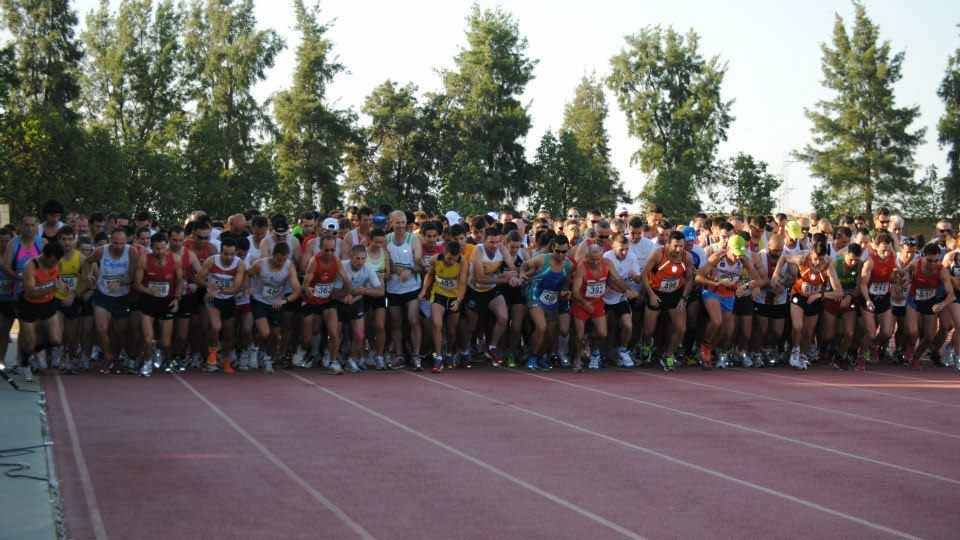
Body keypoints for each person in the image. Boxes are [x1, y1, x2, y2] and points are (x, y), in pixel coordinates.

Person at [773, 239, 843, 369]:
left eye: (821, 259)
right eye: (815, 258)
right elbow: (784, 258)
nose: (817, 262)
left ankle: (802, 354)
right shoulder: (802, 258)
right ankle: (795, 351)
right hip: (798, 295)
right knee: (797, 326)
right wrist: (776, 274)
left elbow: (839, 292)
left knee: (808, 332)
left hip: (814, 299)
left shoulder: (828, 265)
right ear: (811, 253)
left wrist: (819, 295)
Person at [696, 235, 763, 369]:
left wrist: (742, 284)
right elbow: (698, 277)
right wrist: (717, 282)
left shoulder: (744, 260)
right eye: (735, 254)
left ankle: (711, 349)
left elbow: (758, 280)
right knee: (717, 321)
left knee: (727, 330)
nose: (738, 257)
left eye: (740, 254)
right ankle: (705, 347)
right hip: (712, 291)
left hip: (729, 295)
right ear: (728, 248)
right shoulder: (717, 257)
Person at [571, 243, 638, 371]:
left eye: (598, 259)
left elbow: (617, 279)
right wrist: (585, 303)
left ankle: (587, 338)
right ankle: (577, 360)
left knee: (602, 333)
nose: (595, 262)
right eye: (592, 259)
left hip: (597, 302)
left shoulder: (607, 263)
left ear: (602, 256)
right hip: (581, 302)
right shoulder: (582, 267)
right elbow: (575, 291)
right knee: (578, 335)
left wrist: (627, 291)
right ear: (586, 257)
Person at [83, 227, 136, 373]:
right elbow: (87, 261)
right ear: (110, 241)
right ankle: (108, 357)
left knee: (120, 331)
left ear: (126, 241)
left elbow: (133, 277)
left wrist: (121, 283)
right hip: (103, 294)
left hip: (122, 296)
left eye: (122, 243)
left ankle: (118, 357)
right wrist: (90, 277)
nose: (119, 246)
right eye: (116, 243)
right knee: (102, 329)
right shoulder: (101, 251)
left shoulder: (131, 251)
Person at [642, 231, 694, 370]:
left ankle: (669, 355)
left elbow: (689, 279)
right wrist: (651, 294)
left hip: (675, 293)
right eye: (675, 246)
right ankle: (647, 345)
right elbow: (644, 274)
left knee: (681, 328)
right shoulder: (658, 254)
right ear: (668, 244)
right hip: (656, 292)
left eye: (681, 246)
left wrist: (684, 297)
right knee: (649, 330)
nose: (678, 250)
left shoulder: (687, 257)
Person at [300, 234, 352, 373]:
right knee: (308, 336)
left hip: (328, 300)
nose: (329, 253)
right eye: (326, 250)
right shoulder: (314, 261)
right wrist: (308, 289)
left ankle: (333, 362)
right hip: (312, 301)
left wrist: (343, 294)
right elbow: (304, 285)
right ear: (320, 249)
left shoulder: (337, 261)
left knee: (334, 333)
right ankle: (305, 351)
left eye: (332, 250)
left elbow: (347, 282)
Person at [132, 233, 182, 376]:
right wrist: (149, 290)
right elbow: (137, 284)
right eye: (156, 249)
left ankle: (164, 357)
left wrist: (177, 299)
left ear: (167, 246)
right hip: (149, 301)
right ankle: (147, 361)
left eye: (162, 248)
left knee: (166, 343)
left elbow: (179, 281)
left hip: (167, 302)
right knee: (148, 339)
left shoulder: (175, 259)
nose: (159, 252)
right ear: (151, 247)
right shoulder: (144, 259)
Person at [16, 242, 67, 381]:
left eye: (57, 261)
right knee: (29, 343)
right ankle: (25, 363)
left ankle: (38, 349)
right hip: (28, 306)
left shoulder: (57, 263)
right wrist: (52, 288)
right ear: (45, 255)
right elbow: (31, 292)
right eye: (52, 261)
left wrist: (63, 287)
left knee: (56, 339)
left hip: (48, 304)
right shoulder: (30, 266)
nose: (54, 264)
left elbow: (58, 280)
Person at [247, 242, 300, 373]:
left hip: (275, 304)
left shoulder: (289, 266)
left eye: (284, 260)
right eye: (278, 259)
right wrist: (247, 288)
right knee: (265, 332)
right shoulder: (260, 264)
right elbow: (246, 274)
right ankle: (254, 349)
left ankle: (267, 358)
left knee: (276, 335)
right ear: (273, 255)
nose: (280, 262)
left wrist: (284, 300)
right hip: (259, 301)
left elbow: (297, 290)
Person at [902, 243, 954, 369]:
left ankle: (916, 357)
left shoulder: (942, 271)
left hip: (931, 303)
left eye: (936, 260)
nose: (933, 264)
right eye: (930, 260)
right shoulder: (916, 264)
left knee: (929, 336)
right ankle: (909, 347)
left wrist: (941, 305)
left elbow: (951, 295)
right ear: (924, 257)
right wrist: (906, 279)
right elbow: (905, 273)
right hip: (914, 300)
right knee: (913, 331)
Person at [199, 236, 246, 374]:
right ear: (221, 252)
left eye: (232, 254)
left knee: (229, 333)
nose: (229, 257)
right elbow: (199, 278)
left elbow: (236, 288)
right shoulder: (211, 261)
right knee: (215, 326)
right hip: (213, 299)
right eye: (226, 254)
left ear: (235, 253)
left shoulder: (239, 264)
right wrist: (208, 285)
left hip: (229, 299)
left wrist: (217, 289)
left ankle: (226, 361)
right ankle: (212, 356)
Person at [420, 241, 468, 372]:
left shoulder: (462, 262)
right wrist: (424, 290)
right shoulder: (436, 258)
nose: (451, 261)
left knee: (452, 331)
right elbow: (429, 275)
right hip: (438, 295)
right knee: (437, 325)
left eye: (454, 259)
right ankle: (438, 357)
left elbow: (463, 284)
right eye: (449, 258)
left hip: (454, 297)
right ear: (443, 254)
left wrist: (458, 301)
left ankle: (449, 352)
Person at [386, 210, 424, 369]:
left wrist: (410, 269)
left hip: (412, 288)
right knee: (395, 323)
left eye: (403, 222)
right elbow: (384, 262)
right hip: (393, 289)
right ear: (391, 223)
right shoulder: (386, 239)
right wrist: (395, 270)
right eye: (397, 222)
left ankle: (416, 356)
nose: (401, 225)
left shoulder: (413, 238)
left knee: (413, 319)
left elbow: (420, 264)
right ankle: (399, 355)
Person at [339, 245, 383, 373]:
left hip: (357, 302)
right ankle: (333, 358)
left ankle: (351, 359)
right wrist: (345, 295)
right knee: (335, 333)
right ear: (350, 258)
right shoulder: (342, 266)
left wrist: (365, 290)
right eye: (357, 258)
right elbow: (333, 291)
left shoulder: (368, 269)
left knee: (359, 335)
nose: (360, 262)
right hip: (338, 303)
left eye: (363, 259)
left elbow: (380, 291)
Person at [859, 231, 897, 370]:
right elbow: (863, 284)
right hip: (869, 298)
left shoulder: (892, 257)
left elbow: (894, 274)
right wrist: (867, 300)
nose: (885, 253)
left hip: (884, 298)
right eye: (882, 251)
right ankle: (862, 355)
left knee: (887, 332)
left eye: (887, 250)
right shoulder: (870, 261)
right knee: (870, 332)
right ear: (875, 247)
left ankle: (873, 345)